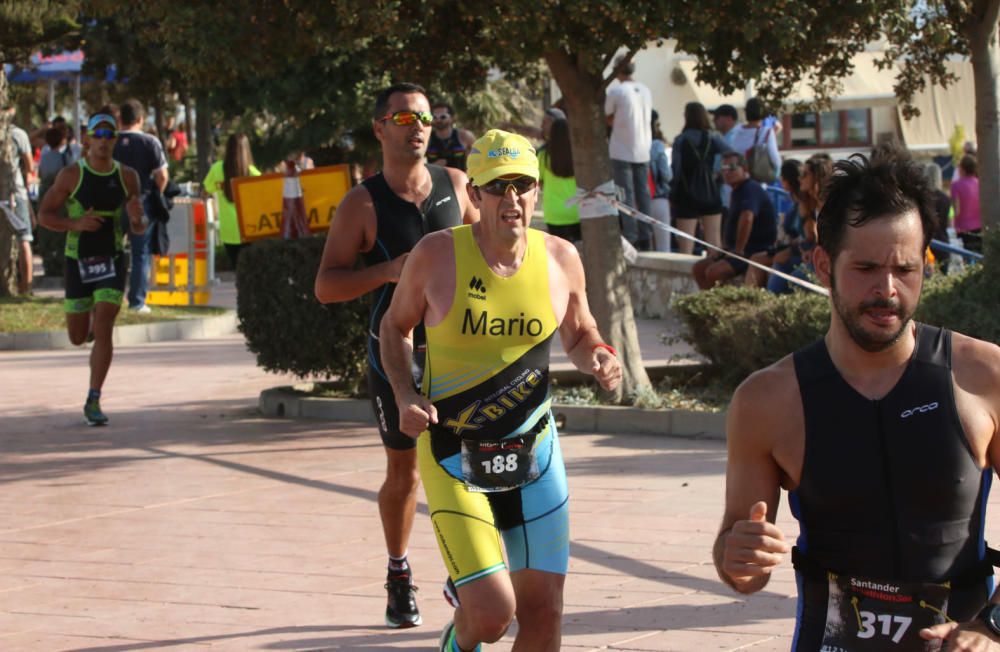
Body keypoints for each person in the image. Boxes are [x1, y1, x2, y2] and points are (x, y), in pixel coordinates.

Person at [714, 151, 1000, 651]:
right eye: (865, 267)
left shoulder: (983, 376)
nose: (886, 290)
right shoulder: (767, 401)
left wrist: (991, 628)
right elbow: (742, 569)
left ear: (925, 266)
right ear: (823, 264)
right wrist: (737, 557)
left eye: (905, 269)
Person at [379, 128, 622, 652]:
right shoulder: (437, 256)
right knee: (491, 615)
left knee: (545, 615)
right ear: (475, 195)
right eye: (497, 187)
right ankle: (456, 641)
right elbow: (394, 329)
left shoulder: (561, 257)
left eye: (522, 185)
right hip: (453, 457)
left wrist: (599, 357)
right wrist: (404, 394)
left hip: (534, 454)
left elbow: (580, 333)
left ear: (537, 190)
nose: (512, 199)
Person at [314, 82, 478, 629]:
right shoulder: (362, 203)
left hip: (462, 353)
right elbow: (326, 286)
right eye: (405, 119)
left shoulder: (456, 186)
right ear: (380, 128)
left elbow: (494, 261)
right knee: (405, 474)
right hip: (396, 353)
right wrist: (387, 271)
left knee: (475, 466)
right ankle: (399, 571)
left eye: (426, 118)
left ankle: (469, 573)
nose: (419, 127)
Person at [38, 111, 146, 426]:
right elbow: (45, 215)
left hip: (112, 257)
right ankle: (84, 327)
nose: (103, 141)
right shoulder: (72, 175)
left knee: (105, 325)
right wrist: (75, 223)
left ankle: (94, 398)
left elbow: (138, 228)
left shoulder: (128, 177)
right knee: (77, 336)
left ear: (115, 139)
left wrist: (137, 218)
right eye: (97, 135)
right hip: (78, 259)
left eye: (108, 135)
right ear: (87, 139)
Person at [113, 99, 168, 314]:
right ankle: (136, 301)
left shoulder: (110, 142)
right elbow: (162, 175)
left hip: (114, 202)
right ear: (140, 119)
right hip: (141, 201)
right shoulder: (150, 142)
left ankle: (109, 297)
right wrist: (157, 194)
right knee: (140, 254)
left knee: (112, 252)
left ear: (120, 119)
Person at [692, 152, 777, 290]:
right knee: (698, 268)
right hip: (734, 250)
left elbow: (747, 218)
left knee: (714, 272)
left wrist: (738, 250)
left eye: (732, 167)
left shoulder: (750, 189)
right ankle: (709, 306)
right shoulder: (736, 191)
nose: (727, 172)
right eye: (723, 168)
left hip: (753, 251)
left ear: (744, 169)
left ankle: (722, 307)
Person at [605, 55, 654, 250]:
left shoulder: (617, 91)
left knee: (625, 195)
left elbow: (606, 117)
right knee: (643, 194)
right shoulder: (646, 90)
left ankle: (631, 235)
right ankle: (646, 235)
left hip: (622, 150)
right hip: (643, 149)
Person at [670, 102, 731, 254]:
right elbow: (732, 153)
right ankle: (715, 276)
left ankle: (687, 276)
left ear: (686, 117)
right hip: (711, 191)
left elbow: (676, 170)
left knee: (686, 243)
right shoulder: (713, 138)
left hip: (686, 195)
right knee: (714, 242)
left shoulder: (681, 140)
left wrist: (673, 194)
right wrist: (718, 172)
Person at [202, 134, 261, 269]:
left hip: (228, 232)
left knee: (237, 271)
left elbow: (205, 192)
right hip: (251, 231)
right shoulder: (254, 175)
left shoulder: (217, 169)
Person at [744, 159, 803, 291]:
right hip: (789, 248)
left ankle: (748, 299)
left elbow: (802, 234)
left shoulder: (802, 204)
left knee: (757, 261)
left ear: (785, 181)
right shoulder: (796, 202)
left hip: (796, 252)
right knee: (758, 261)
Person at [4, 105, 36, 294]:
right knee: (24, 239)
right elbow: (30, 165)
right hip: (15, 193)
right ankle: (26, 287)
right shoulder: (18, 134)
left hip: (11, 193)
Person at [538, 117, 580, 243]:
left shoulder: (543, 155)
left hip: (553, 214)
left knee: (559, 252)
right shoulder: (579, 156)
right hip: (577, 212)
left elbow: (539, 182)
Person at [729, 98, 781, 184]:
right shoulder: (766, 132)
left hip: (737, 180)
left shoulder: (735, 131)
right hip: (757, 181)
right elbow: (775, 160)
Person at [427, 102, 475, 171]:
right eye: (434, 117)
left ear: (452, 118)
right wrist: (433, 166)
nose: (438, 120)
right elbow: (414, 164)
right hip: (435, 180)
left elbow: (480, 158)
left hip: (461, 180)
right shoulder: (427, 138)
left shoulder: (464, 136)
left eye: (443, 117)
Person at [649, 109, 672, 252]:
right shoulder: (656, 145)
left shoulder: (623, 145)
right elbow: (667, 175)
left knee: (646, 248)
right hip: (659, 198)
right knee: (664, 247)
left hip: (636, 202)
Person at [951, 154, 981, 253]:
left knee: (966, 259)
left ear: (962, 169)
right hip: (979, 226)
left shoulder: (956, 185)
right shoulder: (980, 184)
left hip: (962, 228)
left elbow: (957, 210)